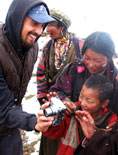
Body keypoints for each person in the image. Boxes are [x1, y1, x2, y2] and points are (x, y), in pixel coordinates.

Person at [0, 0, 56, 154]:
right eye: (34, 23)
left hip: (9, 126)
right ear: (17, 19)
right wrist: (33, 121)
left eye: (41, 26)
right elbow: (3, 107)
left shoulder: (32, 47)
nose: (38, 31)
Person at [36, 8, 83, 155]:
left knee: (73, 139)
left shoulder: (78, 45)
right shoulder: (48, 47)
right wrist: (43, 98)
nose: (47, 29)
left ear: (62, 27)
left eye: (51, 25)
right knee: (52, 137)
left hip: (75, 103)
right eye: (47, 25)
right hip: (53, 101)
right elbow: (41, 74)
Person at [49, 31, 118, 116]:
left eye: (97, 61)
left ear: (109, 58)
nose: (91, 65)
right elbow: (56, 90)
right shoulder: (72, 70)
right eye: (87, 58)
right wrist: (63, 100)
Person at [41, 75, 117, 155]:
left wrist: (95, 135)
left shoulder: (112, 124)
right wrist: (54, 117)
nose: (83, 103)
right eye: (81, 96)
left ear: (104, 103)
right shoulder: (72, 111)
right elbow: (54, 133)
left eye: (89, 101)